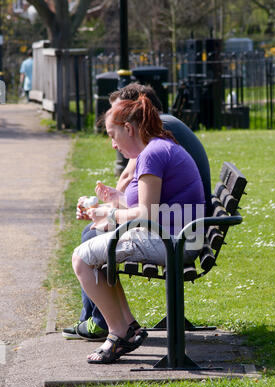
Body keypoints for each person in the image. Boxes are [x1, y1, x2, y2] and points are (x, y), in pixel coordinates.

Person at [62, 83, 212, 341]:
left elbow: (146, 213)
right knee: (94, 239)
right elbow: (142, 198)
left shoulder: (154, 148)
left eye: (112, 134)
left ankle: (115, 329)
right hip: (180, 231)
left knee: (85, 253)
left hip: (175, 238)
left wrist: (108, 215)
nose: (112, 144)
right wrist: (108, 206)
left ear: (129, 126)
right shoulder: (156, 143)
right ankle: (121, 325)